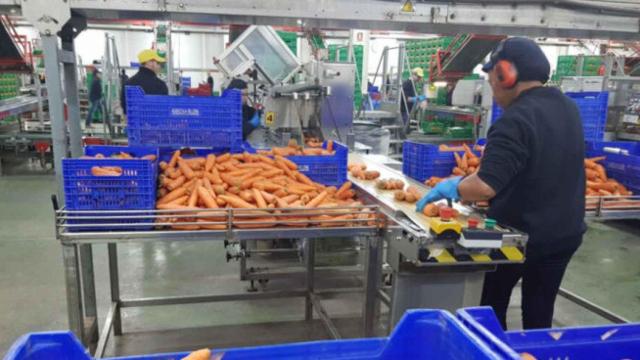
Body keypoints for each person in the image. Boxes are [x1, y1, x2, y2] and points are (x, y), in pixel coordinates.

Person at [416, 37, 586, 330]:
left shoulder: (515, 119)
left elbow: (485, 186)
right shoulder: (567, 107)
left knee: (488, 308)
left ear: (506, 74)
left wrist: (454, 187)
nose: (491, 87)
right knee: (539, 313)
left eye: (490, 77)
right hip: (565, 234)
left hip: (521, 238)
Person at [121, 49, 169, 113]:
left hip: (134, 122)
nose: (159, 66)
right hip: (154, 122)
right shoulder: (160, 85)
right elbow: (164, 109)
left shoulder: (127, 84)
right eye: (158, 63)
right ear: (150, 63)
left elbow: (125, 109)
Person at [226, 75, 260, 140]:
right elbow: (243, 129)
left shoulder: (238, 106)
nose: (246, 98)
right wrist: (253, 123)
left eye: (247, 94)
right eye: (243, 95)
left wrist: (257, 111)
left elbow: (246, 110)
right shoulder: (227, 108)